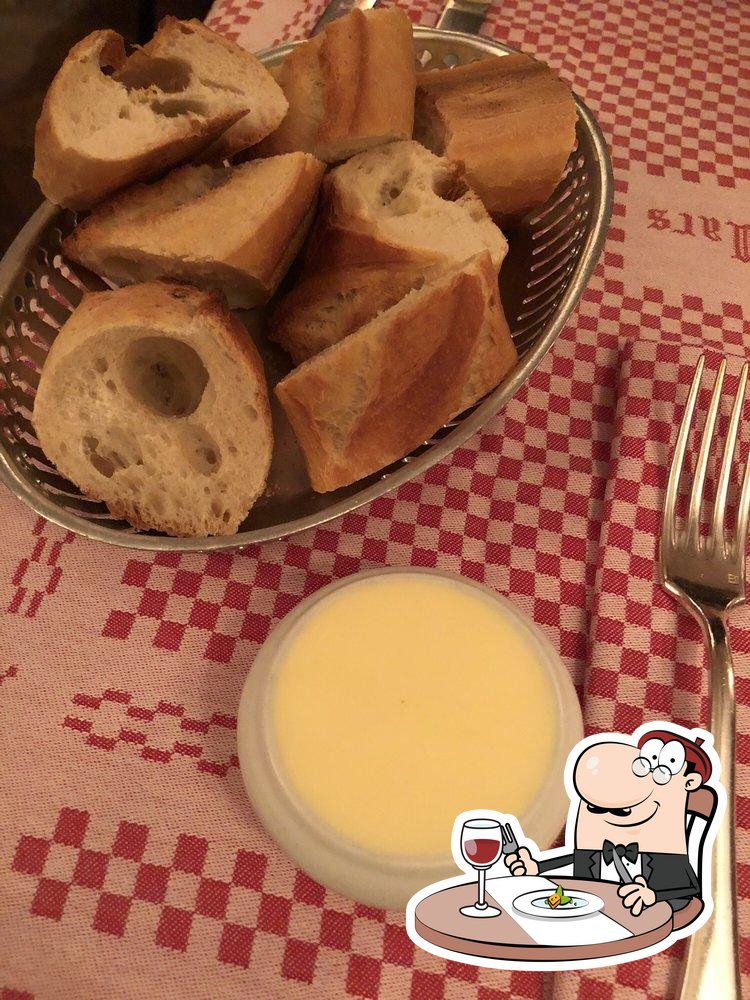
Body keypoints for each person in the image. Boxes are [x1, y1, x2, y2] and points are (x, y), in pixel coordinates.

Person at [504, 729, 712, 914]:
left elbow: (684, 896)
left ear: (689, 782)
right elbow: (574, 863)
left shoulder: (665, 847)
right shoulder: (597, 831)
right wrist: (537, 868)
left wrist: (653, 897)